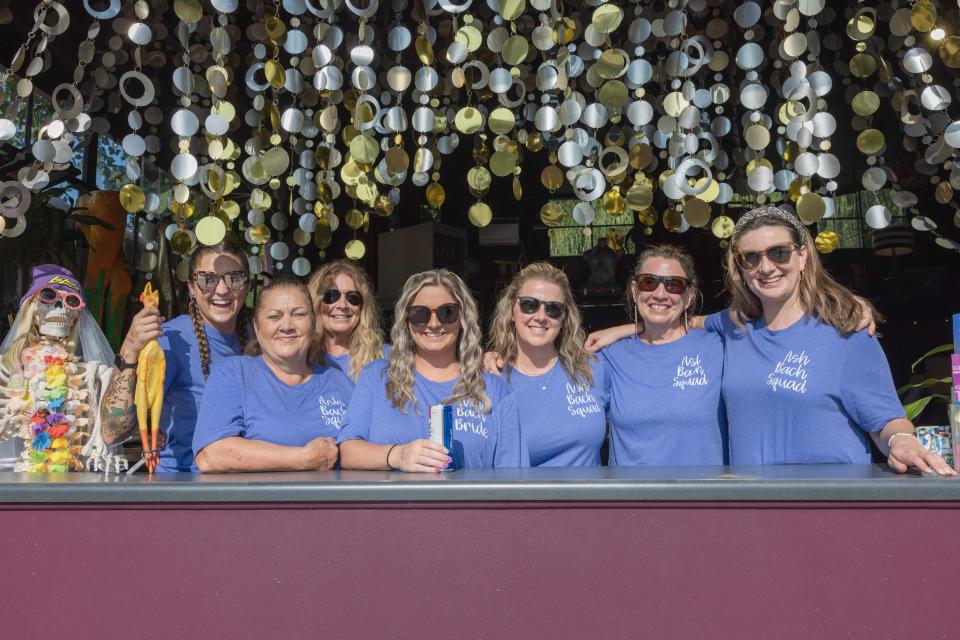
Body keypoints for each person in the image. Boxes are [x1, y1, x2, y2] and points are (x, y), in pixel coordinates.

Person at [704, 206, 953, 475]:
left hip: (829, 503)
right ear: (740, 268)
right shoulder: (734, 329)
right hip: (752, 505)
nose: (765, 267)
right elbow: (682, 322)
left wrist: (901, 441)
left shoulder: (846, 332)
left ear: (802, 257)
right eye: (750, 258)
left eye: (779, 252)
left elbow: (885, 419)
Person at [338, 269, 528, 472]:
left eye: (447, 312)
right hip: (394, 504)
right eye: (421, 314)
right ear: (406, 319)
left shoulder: (494, 389)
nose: (434, 324)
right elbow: (348, 453)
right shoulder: (378, 377)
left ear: (463, 317)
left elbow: (514, 478)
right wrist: (398, 455)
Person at [99, 241, 251, 471]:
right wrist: (129, 349)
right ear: (191, 286)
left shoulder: (262, 337)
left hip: (250, 481)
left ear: (247, 286)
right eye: (207, 279)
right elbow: (112, 432)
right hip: (184, 483)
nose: (221, 290)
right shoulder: (171, 340)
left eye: (234, 278)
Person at [192, 277, 353, 472]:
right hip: (259, 502)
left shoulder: (337, 381)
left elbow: (365, 447)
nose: (287, 326)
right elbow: (211, 456)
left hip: (332, 502)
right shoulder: (234, 374)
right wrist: (303, 459)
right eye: (274, 316)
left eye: (299, 314)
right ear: (257, 328)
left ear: (314, 324)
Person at [599, 245, 726, 465]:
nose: (660, 294)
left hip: (703, 496)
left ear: (689, 296)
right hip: (632, 496)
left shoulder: (717, 347)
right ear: (634, 290)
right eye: (649, 282)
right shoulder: (611, 356)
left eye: (674, 285)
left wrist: (628, 328)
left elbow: (747, 317)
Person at [0, 265, 124, 472]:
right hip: (19, 474)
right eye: (48, 296)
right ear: (31, 308)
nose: (61, 307)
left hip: (72, 472)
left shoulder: (90, 373)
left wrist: (98, 438)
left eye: (72, 301)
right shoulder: (8, 368)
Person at [487, 262, 607, 466]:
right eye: (529, 305)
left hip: (590, 498)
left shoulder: (590, 369)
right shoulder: (492, 379)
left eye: (553, 309)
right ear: (511, 310)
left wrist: (635, 327)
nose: (541, 317)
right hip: (526, 498)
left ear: (565, 318)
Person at [306, 260, 386, 381]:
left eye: (352, 297)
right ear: (316, 303)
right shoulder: (301, 357)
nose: (343, 305)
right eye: (331, 296)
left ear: (362, 307)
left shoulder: (386, 357)